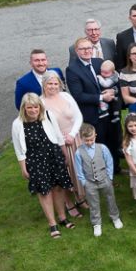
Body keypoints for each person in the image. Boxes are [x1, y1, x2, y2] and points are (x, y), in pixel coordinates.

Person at [11, 93, 75, 238]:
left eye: (36, 107)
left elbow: (58, 136)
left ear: (40, 107)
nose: (33, 110)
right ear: (24, 108)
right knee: (44, 191)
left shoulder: (48, 115)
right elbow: (18, 148)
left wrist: (64, 154)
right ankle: (52, 224)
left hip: (54, 156)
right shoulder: (17, 124)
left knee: (58, 187)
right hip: (35, 161)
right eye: (29, 107)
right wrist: (23, 167)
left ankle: (62, 218)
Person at [40, 74, 86, 216]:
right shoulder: (40, 103)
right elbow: (44, 127)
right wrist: (61, 139)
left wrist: (72, 134)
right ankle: (68, 203)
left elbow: (78, 116)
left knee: (78, 170)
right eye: (50, 84)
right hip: (57, 144)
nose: (53, 87)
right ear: (44, 85)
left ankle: (80, 197)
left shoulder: (66, 96)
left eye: (56, 84)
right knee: (64, 173)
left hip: (75, 138)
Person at [72, 123, 123, 238]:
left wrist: (109, 177)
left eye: (91, 139)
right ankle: (96, 223)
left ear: (95, 135)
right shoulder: (79, 152)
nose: (89, 142)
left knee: (111, 199)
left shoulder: (102, 148)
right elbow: (79, 170)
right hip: (90, 183)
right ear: (81, 138)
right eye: (86, 140)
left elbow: (109, 162)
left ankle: (115, 217)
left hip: (105, 179)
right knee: (93, 203)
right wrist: (84, 182)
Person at [66, 37, 114, 141]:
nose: (87, 51)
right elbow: (78, 95)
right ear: (77, 51)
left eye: (89, 48)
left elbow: (112, 79)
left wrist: (112, 90)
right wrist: (102, 97)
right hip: (92, 116)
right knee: (99, 143)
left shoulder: (99, 62)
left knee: (113, 142)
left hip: (109, 112)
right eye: (83, 49)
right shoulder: (72, 70)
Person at [94, 60, 123, 168]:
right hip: (103, 111)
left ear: (112, 72)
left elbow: (119, 89)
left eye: (106, 73)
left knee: (116, 135)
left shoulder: (116, 79)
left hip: (114, 110)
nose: (103, 74)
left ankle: (116, 161)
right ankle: (106, 163)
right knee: (104, 137)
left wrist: (113, 91)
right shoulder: (98, 78)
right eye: (102, 72)